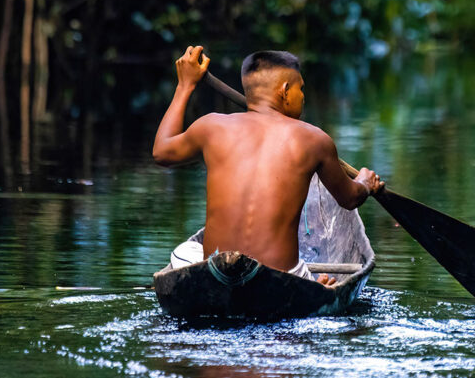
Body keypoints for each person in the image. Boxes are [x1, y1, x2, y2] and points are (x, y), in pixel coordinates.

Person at [152, 46, 384, 286]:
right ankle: (314, 285)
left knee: (187, 251)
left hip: (216, 273)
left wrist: (184, 86)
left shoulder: (211, 126)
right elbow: (349, 199)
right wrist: (365, 184)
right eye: (300, 88)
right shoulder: (315, 140)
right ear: (284, 91)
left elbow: (161, 152)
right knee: (303, 275)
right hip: (281, 279)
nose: (303, 96)